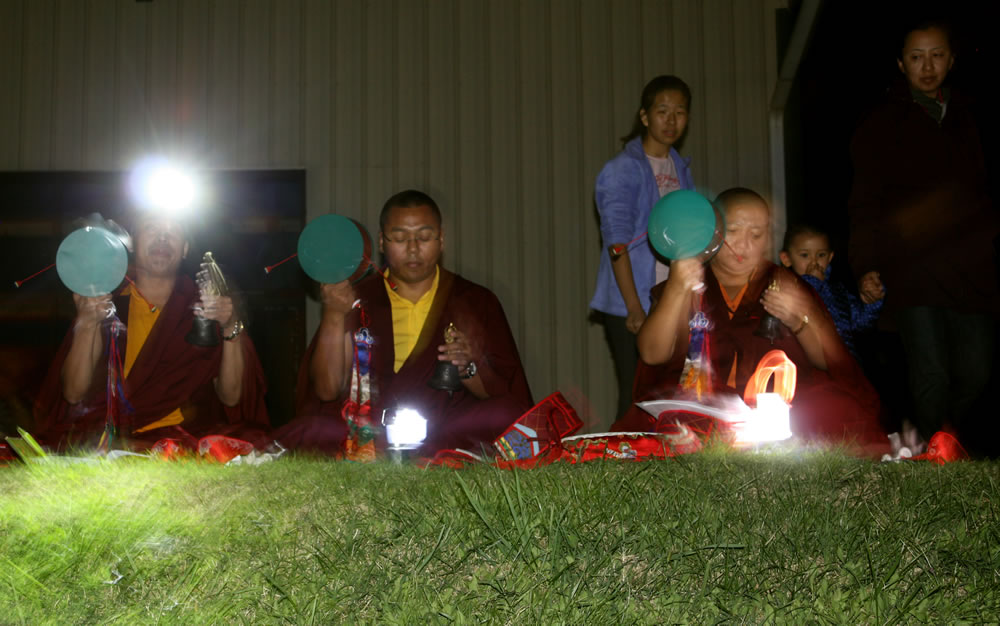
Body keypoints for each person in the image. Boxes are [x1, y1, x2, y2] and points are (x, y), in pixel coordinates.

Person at [612, 188, 886, 450]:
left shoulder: (785, 282)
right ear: (713, 231)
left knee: (834, 407)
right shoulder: (690, 277)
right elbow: (652, 354)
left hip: (773, 407)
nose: (744, 245)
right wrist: (676, 286)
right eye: (733, 232)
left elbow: (830, 361)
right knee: (672, 421)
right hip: (703, 403)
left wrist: (798, 321)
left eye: (756, 235)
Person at [275, 190, 533, 457]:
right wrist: (333, 314)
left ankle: (428, 455)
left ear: (441, 239)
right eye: (399, 238)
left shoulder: (474, 301)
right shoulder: (356, 298)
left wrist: (468, 368)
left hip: (445, 425)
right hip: (370, 428)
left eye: (424, 237)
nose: (413, 249)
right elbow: (327, 391)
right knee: (313, 428)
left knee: (505, 414)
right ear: (382, 242)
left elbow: (506, 392)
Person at [847, 19, 999, 449]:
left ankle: (945, 442)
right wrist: (865, 265)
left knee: (977, 371)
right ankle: (934, 463)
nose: (927, 67)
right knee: (931, 372)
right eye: (916, 57)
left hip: (972, 271)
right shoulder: (881, 124)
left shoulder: (971, 117)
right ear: (901, 63)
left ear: (951, 60)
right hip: (911, 271)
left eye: (936, 56)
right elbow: (864, 202)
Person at [33, 212, 272, 451]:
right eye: (151, 229)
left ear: (185, 248)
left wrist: (230, 324)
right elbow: (74, 393)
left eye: (172, 232)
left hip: (183, 440)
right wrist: (86, 322)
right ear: (132, 244)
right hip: (113, 438)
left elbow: (231, 397)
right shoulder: (105, 302)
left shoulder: (205, 306)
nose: (162, 238)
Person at [590, 75, 696, 424]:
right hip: (632, 299)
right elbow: (616, 242)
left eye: (680, 112)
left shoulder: (680, 168)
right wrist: (633, 307)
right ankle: (616, 454)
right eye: (662, 111)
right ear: (645, 116)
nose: (671, 120)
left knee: (669, 388)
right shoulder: (622, 169)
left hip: (671, 294)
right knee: (634, 392)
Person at [779, 223, 884, 359]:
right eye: (805, 255)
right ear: (786, 259)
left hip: (843, 363)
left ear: (830, 257)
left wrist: (870, 302)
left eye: (821, 255)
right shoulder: (785, 289)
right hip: (807, 363)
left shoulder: (838, 291)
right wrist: (813, 282)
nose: (814, 262)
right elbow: (806, 311)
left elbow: (861, 324)